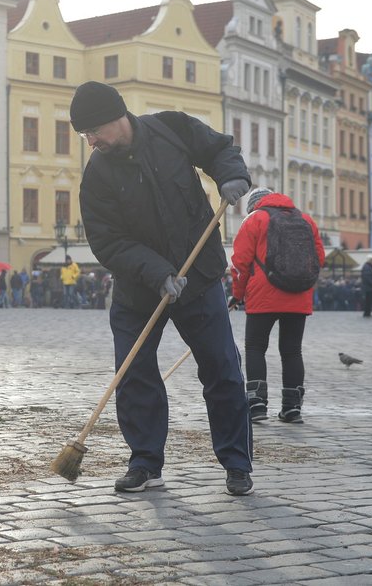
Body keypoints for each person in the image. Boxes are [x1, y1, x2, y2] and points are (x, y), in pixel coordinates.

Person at [75, 81, 254, 496]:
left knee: (222, 370)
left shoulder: (171, 128)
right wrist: (157, 273)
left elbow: (219, 149)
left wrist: (231, 175)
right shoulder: (97, 175)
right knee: (134, 372)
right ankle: (144, 461)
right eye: (85, 136)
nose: (90, 143)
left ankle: (236, 463)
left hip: (200, 277)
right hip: (139, 289)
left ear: (116, 118)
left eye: (93, 133)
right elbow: (107, 241)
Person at [230, 188, 325, 424]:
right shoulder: (305, 219)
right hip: (298, 294)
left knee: (255, 347)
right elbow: (319, 258)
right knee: (292, 351)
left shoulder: (255, 219)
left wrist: (237, 295)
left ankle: (257, 403)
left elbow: (240, 263)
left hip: (263, 294)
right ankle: (292, 408)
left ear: (254, 204)